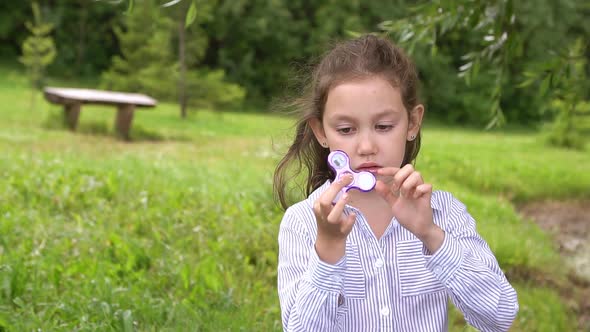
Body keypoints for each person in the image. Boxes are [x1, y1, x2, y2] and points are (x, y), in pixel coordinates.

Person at [272, 34, 518, 332]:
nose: (366, 146)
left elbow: (500, 316)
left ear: (412, 123)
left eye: (384, 126)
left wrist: (431, 235)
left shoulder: (443, 214)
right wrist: (328, 251)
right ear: (321, 132)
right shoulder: (304, 222)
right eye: (346, 129)